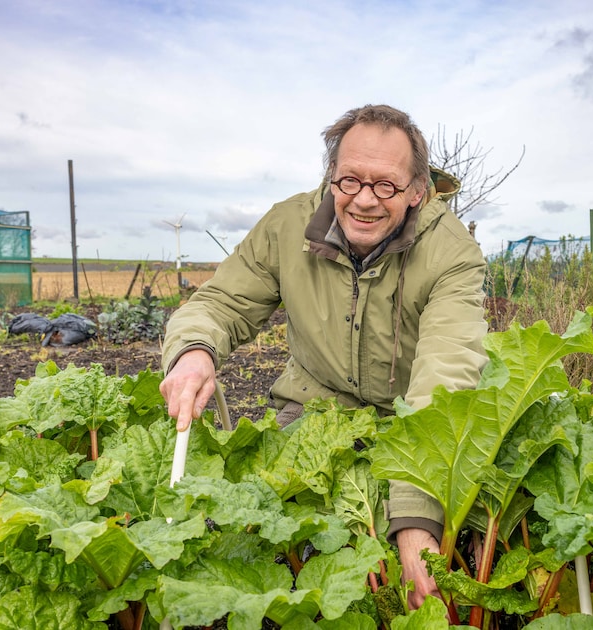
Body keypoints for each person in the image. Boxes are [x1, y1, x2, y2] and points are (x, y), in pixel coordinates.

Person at [159, 104, 488, 609]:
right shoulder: (287, 225)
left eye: (386, 186)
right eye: (350, 180)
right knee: (269, 535)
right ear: (331, 173)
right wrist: (194, 350)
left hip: (410, 421)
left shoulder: (451, 250)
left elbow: (445, 374)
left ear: (417, 190)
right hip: (315, 405)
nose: (364, 200)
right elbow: (222, 302)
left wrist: (417, 517)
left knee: (448, 546)